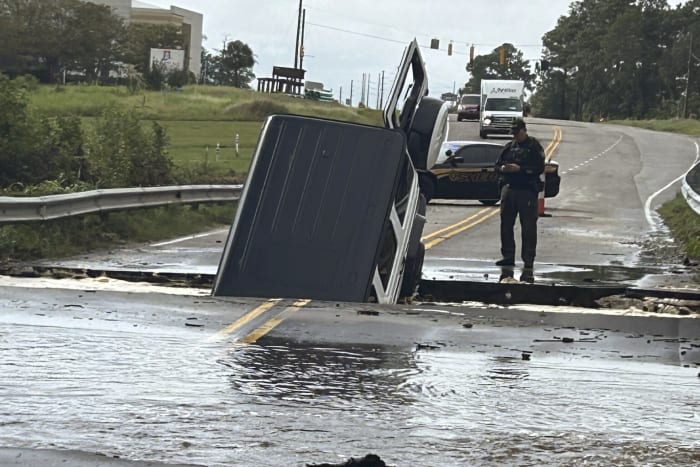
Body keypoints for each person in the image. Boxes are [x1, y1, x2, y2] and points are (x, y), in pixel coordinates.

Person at [494, 118, 545, 278]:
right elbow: (496, 165)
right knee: (506, 225)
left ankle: (528, 259)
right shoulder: (509, 147)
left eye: (517, 132)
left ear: (524, 130)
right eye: (513, 133)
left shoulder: (534, 147)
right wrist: (503, 168)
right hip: (509, 189)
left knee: (528, 227)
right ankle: (508, 256)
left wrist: (520, 169)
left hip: (526, 191)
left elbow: (539, 168)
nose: (515, 135)